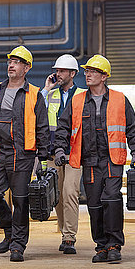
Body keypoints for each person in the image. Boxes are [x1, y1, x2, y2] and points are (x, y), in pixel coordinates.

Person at [53, 54, 135, 264]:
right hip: (89, 161)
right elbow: (64, 127)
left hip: (112, 160)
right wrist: (59, 149)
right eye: (87, 71)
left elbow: (131, 129)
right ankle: (101, 246)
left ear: (104, 77)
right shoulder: (77, 100)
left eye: (93, 71)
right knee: (94, 205)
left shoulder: (120, 99)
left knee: (111, 199)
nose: (88, 74)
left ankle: (114, 244)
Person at [0, 45, 50, 262]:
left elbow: (42, 126)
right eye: (10, 62)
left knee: (21, 200)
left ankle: (18, 246)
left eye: (16, 62)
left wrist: (42, 157)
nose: (11, 65)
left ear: (27, 68)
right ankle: (8, 229)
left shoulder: (34, 94)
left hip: (23, 155)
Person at [41, 54, 84, 255]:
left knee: (70, 193)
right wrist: (46, 88)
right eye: (56, 70)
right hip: (52, 153)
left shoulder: (83, 95)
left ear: (73, 73)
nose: (58, 74)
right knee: (56, 196)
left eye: (62, 71)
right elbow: (36, 111)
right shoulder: (50, 94)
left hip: (74, 152)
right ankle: (64, 231)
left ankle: (69, 238)